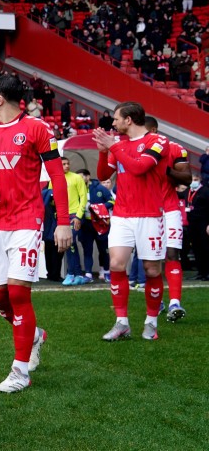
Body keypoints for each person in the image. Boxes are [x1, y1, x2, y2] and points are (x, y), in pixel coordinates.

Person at [0, 74, 71, 393]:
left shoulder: (38, 129)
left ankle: (20, 370)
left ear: (0, 98)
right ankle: (34, 334)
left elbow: (57, 176)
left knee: (17, 293)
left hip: (27, 220)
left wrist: (64, 221)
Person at [93, 102, 171, 341]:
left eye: (116, 119)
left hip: (150, 215)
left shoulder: (157, 142)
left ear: (129, 120)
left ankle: (151, 322)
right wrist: (104, 151)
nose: (113, 123)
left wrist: (113, 146)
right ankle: (122, 323)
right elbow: (103, 176)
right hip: (122, 215)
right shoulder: (120, 145)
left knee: (151, 269)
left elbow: (139, 168)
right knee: (116, 264)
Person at [144, 116, 192, 322]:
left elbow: (187, 178)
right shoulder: (133, 148)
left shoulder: (174, 148)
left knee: (172, 253)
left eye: (145, 132)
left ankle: (175, 303)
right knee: (151, 260)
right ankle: (158, 301)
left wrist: (165, 170)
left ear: (154, 129)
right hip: (145, 210)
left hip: (170, 208)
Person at [58, 157, 89, 285]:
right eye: (63, 164)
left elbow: (83, 197)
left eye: (67, 163)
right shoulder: (55, 179)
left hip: (74, 215)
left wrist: (78, 216)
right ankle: (77, 274)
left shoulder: (76, 178)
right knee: (69, 245)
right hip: (61, 216)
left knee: (70, 242)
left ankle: (71, 273)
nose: (66, 166)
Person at [78, 169, 113, 282]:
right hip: (85, 225)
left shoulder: (99, 188)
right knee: (87, 250)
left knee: (103, 249)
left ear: (88, 177)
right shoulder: (77, 188)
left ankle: (107, 272)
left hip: (100, 224)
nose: (78, 179)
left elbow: (112, 201)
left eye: (81, 177)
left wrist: (98, 208)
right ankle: (88, 274)